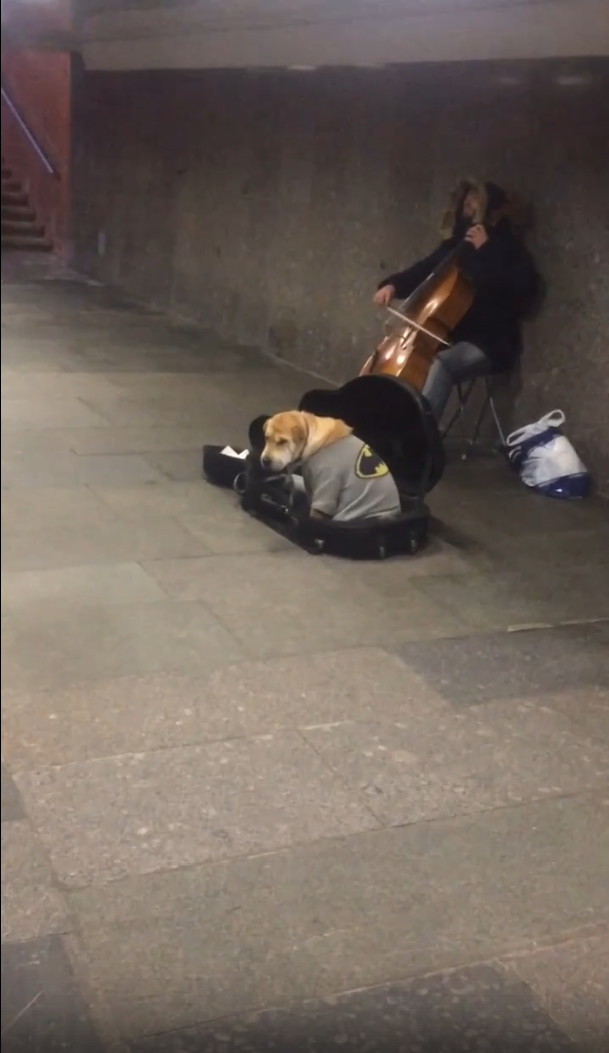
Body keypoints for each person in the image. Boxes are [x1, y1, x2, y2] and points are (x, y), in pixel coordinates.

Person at [373, 179, 539, 422]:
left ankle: (421, 439)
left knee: (443, 365)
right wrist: (392, 285)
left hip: (491, 341)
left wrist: (487, 250)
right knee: (411, 359)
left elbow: (523, 288)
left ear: (488, 207)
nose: (467, 201)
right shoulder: (457, 244)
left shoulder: (506, 246)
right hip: (453, 336)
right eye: (467, 196)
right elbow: (426, 270)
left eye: (475, 198)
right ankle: (388, 422)